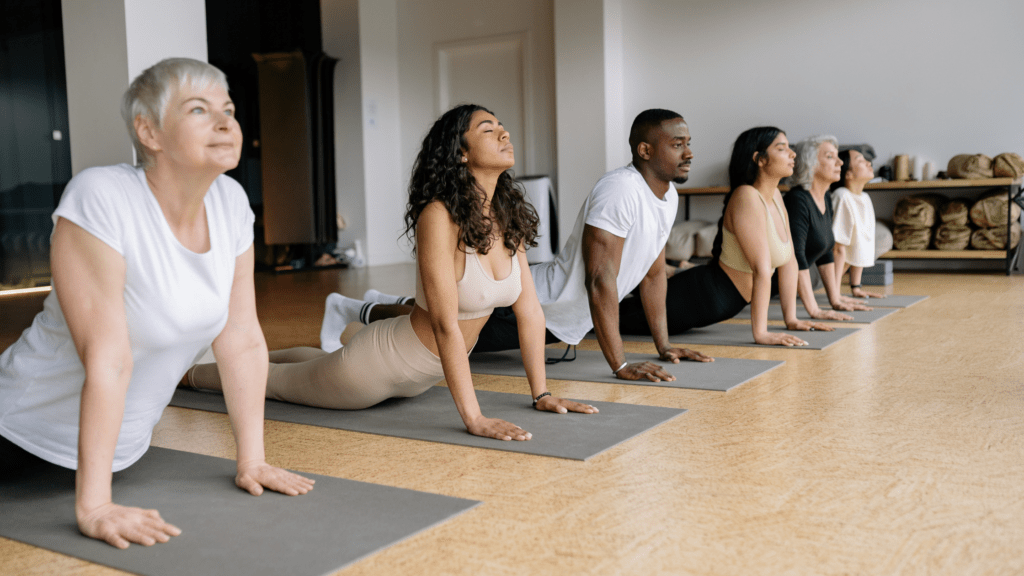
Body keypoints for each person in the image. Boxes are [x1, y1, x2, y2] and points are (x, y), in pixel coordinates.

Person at [0, 58, 314, 550]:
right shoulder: (102, 197)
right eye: (198, 109)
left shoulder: (231, 203)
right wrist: (95, 507)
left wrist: (251, 461)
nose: (225, 121)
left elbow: (242, 339)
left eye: (228, 109)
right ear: (149, 131)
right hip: (16, 431)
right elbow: (108, 356)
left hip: (116, 456)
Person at [187, 104, 597, 442]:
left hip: (416, 379)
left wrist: (540, 394)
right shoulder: (438, 216)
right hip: (373, 371)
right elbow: (444, 323)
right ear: (461, 152)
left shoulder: (504, 216)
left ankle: (233, 353)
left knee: (305, 364)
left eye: (503, 127)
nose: (505, 134)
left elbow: (531, 314)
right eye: (489, 130)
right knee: (270, 383)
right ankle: (184, 373)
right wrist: (474, 418)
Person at [322, 109, 712, 383]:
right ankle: (352, 308)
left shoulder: (667, 197)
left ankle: (369, 301)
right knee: (433, 329)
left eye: (688, 143)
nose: (689, 152)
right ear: (645, 151)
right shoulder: (620, 190)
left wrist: (664, 347)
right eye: (678, 144)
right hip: (531, 304)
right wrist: (620, 364)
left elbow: (654, 271)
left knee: (448, 315)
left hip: (556, 316)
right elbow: (600, 280)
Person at [621, 127, 832, 345]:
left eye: (790, 147)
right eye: (781, 148)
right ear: (759, 159)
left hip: (718, 300)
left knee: (618, 305)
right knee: (605, 317)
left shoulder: (777, 196)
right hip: (699, 298)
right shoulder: (746, 196)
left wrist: (792, 319)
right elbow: (761, 268)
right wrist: (761, 333)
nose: (792, 153)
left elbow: (789, 261)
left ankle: (668, 269)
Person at [783, 136, 871, 319]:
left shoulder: (825, 198)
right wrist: (814, 310)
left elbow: (825, 252)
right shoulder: (797, 200)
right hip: (764, 290)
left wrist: (835, 299)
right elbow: (795, 256)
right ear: (810, 163)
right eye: (830, 157)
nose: (840, 162)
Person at [830, 150, 884, 298]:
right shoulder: (841, 196)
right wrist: (835, 295)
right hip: (820, 273)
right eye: (860, 161)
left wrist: (856, 288)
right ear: (848, 173)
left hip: (836, 273)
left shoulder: (865, 197)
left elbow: (861, 244)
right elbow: (837, 248)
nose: (869, 163)